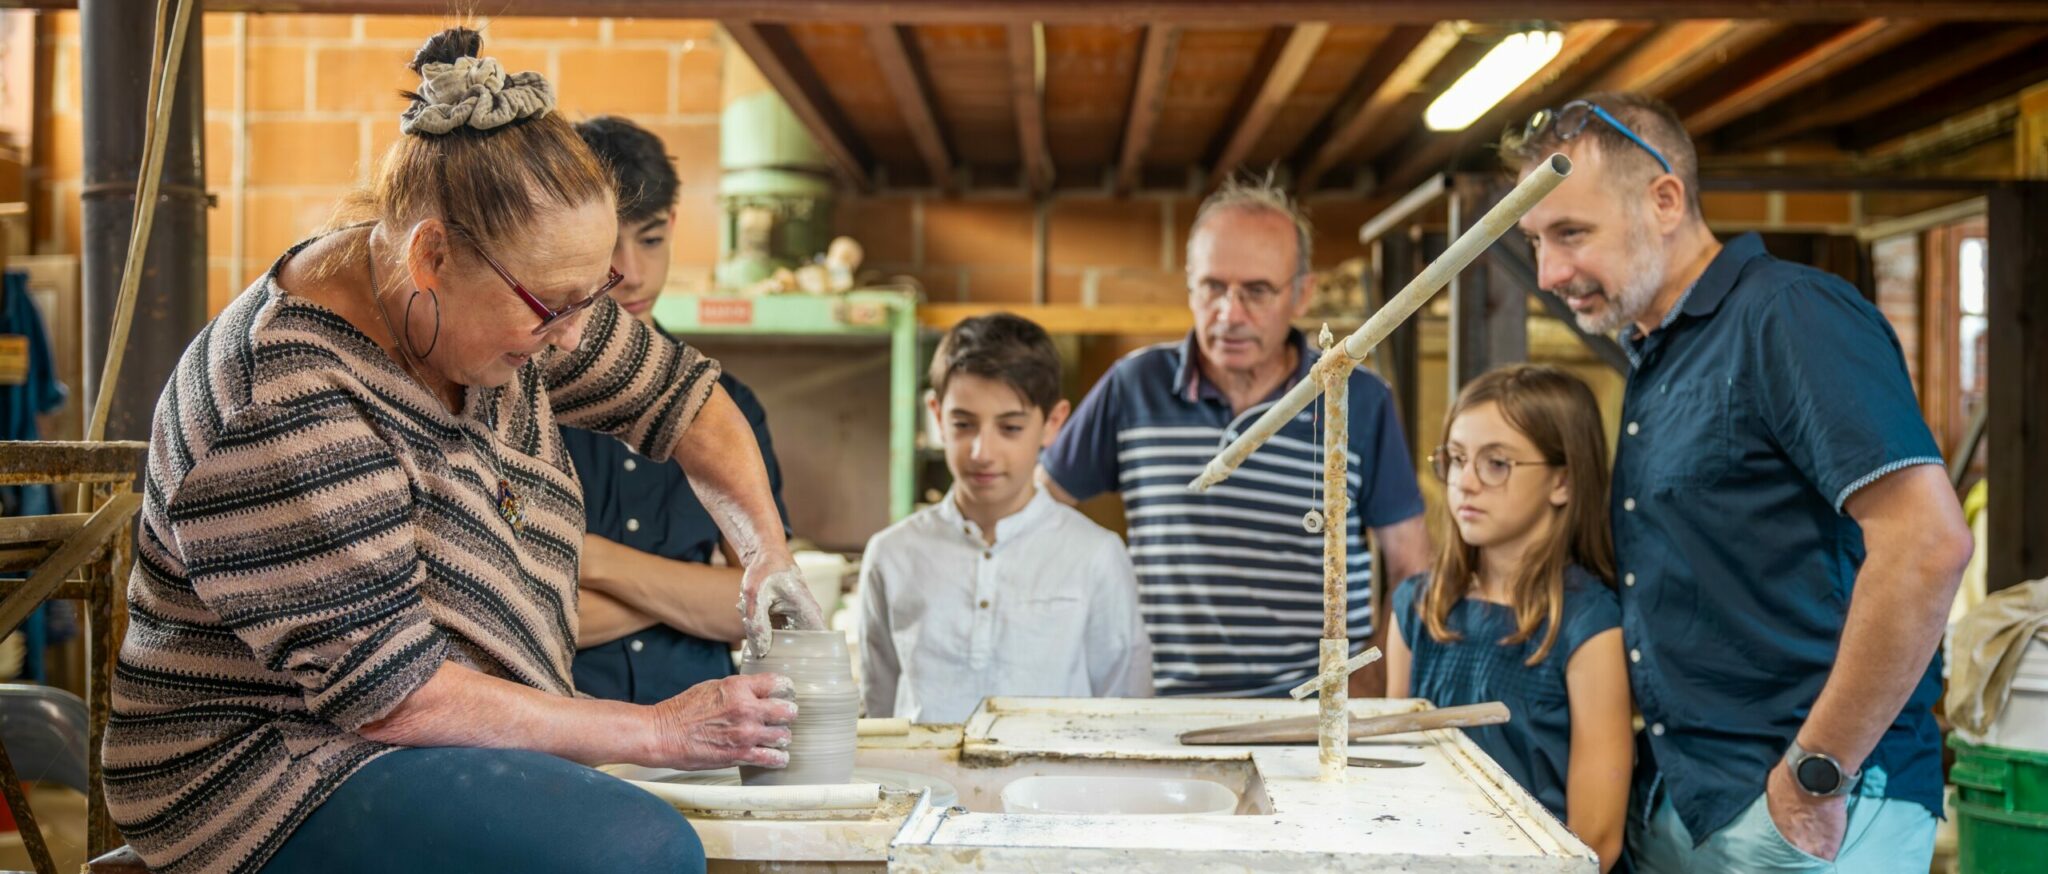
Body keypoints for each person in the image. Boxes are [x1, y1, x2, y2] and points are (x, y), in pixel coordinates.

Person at [103, 29, 822, 874]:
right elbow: (394, 698)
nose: (573, 336)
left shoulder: (492, 305)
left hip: (435, 742)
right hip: (267, 773)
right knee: (639, 848)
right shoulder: (287, 397)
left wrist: (765, 554)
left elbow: (687, 397)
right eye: (553, 307)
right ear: (431, 256)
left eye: (590, 297)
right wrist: (659, 730)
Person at [1500, 93, 1973, 872]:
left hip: (1812, 806)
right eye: (1535, 241)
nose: (1550, 273)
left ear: (1664, 200)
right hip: (1693, 799)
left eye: (1572, 233)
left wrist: (1816, 775)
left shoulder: (1790, 314)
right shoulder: (1659, 353)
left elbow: (1928, 544)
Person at [1038, 176, 1431, 698]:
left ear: (1301, 293)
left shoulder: (1356, 399)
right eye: (1212, 287)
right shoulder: (1134, 386)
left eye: (1256, 291)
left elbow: (1411, 566)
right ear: (1189, 285)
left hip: (1313, 715)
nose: (1229, 313)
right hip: (1160, 708)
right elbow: (1035, 515)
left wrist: (1373, 685)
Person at [564, 115, 791, 704]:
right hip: (563, 740)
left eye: (650, 240)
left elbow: (762, 607)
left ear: (674, 225)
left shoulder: (730, 408)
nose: (632, 274)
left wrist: (597, 562)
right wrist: (694, 594)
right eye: (608, 245)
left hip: (712, 734)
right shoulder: (516, 399)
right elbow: (516, 622)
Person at [1386, 365, 1632, 872]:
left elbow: (1597, 839)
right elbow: (1395, 775)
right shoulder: (1418, 605)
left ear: (1562, 481)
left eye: (1496, 463)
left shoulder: (1589, 624)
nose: (1465, 482)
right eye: (1456, 459)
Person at [860, 314, 1151, 724]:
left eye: (1010, 427)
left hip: (1057, 768)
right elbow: (880, 712)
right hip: (924, 768)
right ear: (936, 415)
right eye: (963, 424)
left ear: (1052, 423)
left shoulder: (1096, 555)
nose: (982, 452)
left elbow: (1126, 709)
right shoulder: (891, 554)